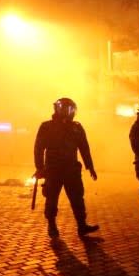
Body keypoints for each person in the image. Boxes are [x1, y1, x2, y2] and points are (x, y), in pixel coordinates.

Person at [33, 97, 99, 238]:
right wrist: (40, 168)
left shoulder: (76, 127)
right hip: (53, 170)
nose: (70, 112)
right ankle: (52, 226)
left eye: (71, 109)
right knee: (51, 198)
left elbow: (84, 148)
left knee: (77, 198)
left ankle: (82, 226)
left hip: (71, 170)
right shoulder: (47, 127)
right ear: (59, 109)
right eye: (67, 109)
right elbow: (38, 148)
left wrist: (90, 166)